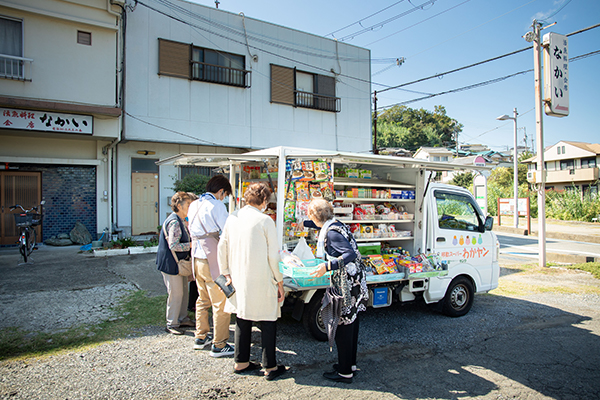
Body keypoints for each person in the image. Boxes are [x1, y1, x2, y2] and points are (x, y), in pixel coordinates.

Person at [218, 182, 287, 381]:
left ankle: (241, 362)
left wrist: (226, 272)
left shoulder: (233, 218)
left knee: (243, 317)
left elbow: (222, 247)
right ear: (264, 200)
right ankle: (270, 366)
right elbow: (273, 257)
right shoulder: (265, 221)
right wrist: (279, 281)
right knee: (268, 320)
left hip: (239, 276)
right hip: (262, 276)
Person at [305, 198, 368, 384]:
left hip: (346, 286)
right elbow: (314, 223)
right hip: (354, 282)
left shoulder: (331, 233)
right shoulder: (335, 224)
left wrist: (328, 266)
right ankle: (350, 365)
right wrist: (301, 221)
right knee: (352, 323)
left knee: (343, 326)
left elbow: (349, 254)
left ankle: (344, 372)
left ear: (315, 216)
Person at [187, 175, 235, 357]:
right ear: (221, 191)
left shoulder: (194, 204)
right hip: (212, 258)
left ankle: (201, 337)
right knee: (220, 302)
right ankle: (220, 344)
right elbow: (228, 229)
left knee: (202, 299)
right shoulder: (216, 205)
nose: (224, 198)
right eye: (224, 194)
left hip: (197, 258)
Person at [156, 191, 196, 335]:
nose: (190, 207)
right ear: (179, 205)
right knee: (176, 293)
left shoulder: (179, 219)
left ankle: (182, 318)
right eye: (188, 204)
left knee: (184, 292)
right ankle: (172, 323)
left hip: (175, 263)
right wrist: (191, 245)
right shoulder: (175, 221)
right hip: (171, 264)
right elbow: (174, 245)